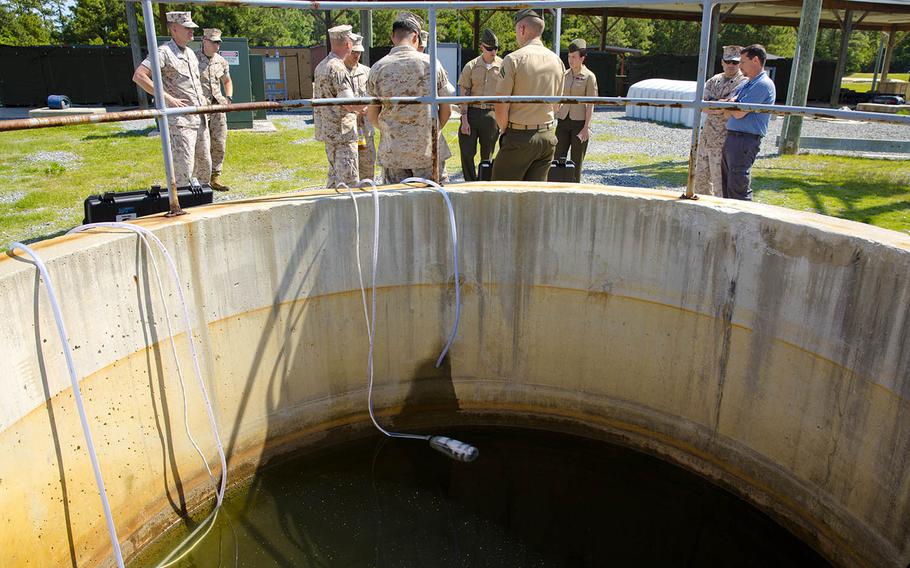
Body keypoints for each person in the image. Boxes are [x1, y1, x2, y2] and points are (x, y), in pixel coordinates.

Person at [367, 12, 454, 184]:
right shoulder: (432, 64)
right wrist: (427, 132)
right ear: (416, 36)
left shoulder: (378, 68)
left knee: (398, 205)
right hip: (428, 152)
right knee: (433, 203)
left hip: (394, 154)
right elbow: (447, 110)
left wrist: (392, 132)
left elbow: (372, 115)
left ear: (393, 36)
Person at [132, 11, 210, 188]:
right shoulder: (164, 52)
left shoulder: (190, 53)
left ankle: (203, 203)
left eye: (192, 28)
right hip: (181, 122)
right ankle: (182, 206)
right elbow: (140, 76)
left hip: (200, 120)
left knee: (204, 168)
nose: (192, 31)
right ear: (174, 28)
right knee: (184, 169)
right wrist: (167, 98)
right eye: (187, 28)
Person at [491, 9, 565, 182]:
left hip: (518, 136)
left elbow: (500, 105)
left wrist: (505, 130)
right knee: (535, 197)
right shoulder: (557, 61)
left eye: (517, 30)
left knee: (501, 192)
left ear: (522, 29)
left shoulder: (513, 59)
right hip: (547, 136)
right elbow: (557, 105)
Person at [721, 44, 775, 201]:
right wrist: (731, 104)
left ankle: (743, 222)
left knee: (738, 186)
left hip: (745, 140)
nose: (740, 66)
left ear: (756, 60)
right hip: (734, 137)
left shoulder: (763, 84)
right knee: (728, 184)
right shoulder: (747, 83)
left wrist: (731, 105)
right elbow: (728, 104)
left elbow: (738, 112)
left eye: (743, 62)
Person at [693, 45, 746, 197]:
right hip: (707, 136)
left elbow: (730, 105)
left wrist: (718, 104)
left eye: (735, 62)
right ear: (722, 62)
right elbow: (703, 105)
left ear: (740, 63)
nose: (731, 65)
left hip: (725, 138)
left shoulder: (743, 82)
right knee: (700, 175)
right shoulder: (714, 80)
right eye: (727, 61)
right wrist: (720, 105)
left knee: (719, 179)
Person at [313, 24, 362, 188]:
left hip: (329, 132)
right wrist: (366, 107)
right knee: (348, 182)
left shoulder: (321, 66)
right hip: (343, 133)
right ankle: (348, 214)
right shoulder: (339, 68)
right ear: (348, 44)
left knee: (334, 179)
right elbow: (349, 103)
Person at [457, 28, 502, 182]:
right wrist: (464, 118)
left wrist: (503, 120)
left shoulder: (503, 66)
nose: (493, 52)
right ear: (482, 47)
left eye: (496, 48)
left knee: (487, 154)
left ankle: (484, 182)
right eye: (490, 49)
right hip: (472, 113)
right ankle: (469, 182)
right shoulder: (471, 66)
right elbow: (464, 92)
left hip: (492, 114)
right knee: (467, 152)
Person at [554, 38, 598, 184]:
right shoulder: (564, 75)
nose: (570, 60)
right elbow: (558, 96)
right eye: (569, 56)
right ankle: (556, 187)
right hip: (563, 121)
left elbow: (591, 104)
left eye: (574, 57)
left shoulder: (589, 77)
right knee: (557, 157)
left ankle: (574, 189)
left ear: (582, 58)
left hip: (579, 123)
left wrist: (587, 127)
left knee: (576, 161)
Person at [195, 28, 234, 191]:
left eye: (218, 42)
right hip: (200, 107)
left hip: (217, 106)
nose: (217, 45)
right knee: (201, 144)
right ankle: (199, 180)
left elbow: (227, 81)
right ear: (204, 40)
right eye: (213, 42)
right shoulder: (192, 58)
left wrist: (228, 97)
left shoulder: (221, 61)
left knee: (219, 142)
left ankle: (214, 178)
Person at [416, 28, 452, 183]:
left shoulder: (434, 66)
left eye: (423, 47)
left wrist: (436, 129)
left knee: (437, 182)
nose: (421, 50)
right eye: (419, 46)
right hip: (407, 142)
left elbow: (446, 106)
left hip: (430, 137)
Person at [344, 34, 376, 182]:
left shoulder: (367, 72)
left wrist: (368, 109)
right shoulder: (339, 72)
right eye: (354, 52)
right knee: (348, 171)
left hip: (366, 129)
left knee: (368, 168)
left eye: (359, 52)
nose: (357, 55)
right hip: (346, 131)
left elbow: (375, 96)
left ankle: (369, 198)